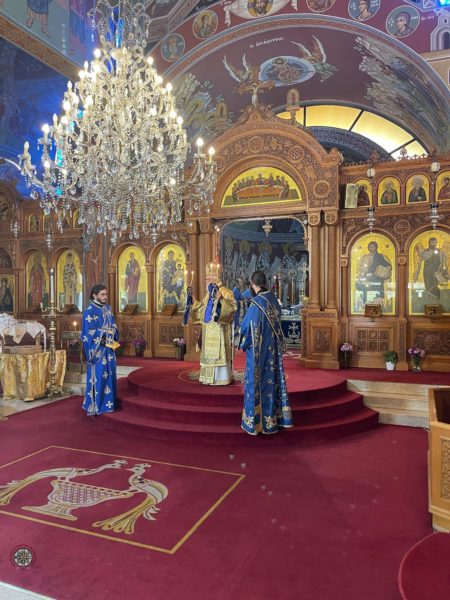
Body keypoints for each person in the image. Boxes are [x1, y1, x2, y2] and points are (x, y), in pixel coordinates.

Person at [240, 271, 292, 435]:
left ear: (252, 283)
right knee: (272, 380)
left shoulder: (256, 303)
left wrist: (243, 338)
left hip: (260, 351)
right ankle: (273, 419)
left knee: (258, 382)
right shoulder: (273, 300)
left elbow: (246, 327)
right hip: (273, 350)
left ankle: (257, 423)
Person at [191, 266, 237, 385]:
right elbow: (203, 309)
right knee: (208, 354)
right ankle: (207, 378)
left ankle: (220, 378)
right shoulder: (208, 294)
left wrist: (221, 300)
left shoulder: (226, 291)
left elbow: (233, 308)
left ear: (216, 278)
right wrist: (194, 303)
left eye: (209, 278)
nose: (207, 280)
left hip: (219, 329)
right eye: (206, 278)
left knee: (218, 353)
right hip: (208, 330)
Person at [81, 284, 119, 416]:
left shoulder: (108, 308)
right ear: (94, 295)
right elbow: (88, 333)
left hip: (109, 349)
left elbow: (113, 324)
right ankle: (96, 404)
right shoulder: (89, 311)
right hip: (98, 351)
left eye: (106, 294)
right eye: (102, 294)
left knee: (111, 375)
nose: (105, 297)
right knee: (100, 377)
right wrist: (104, 332)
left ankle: (110, 403)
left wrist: (112, 330)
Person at [412, 238, 449, 303]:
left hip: (436, 272)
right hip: (427, 272)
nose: (433, 244)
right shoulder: (425, 252)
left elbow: (441, 262)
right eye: (431, 242)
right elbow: (419, 262)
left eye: (434, 242)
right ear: (428, 243)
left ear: (436, 243)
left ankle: (436, 302)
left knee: (434, 286)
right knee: (428, 286)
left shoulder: (439, 251)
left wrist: (438, 271)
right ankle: (431, 302)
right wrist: (416, 273)